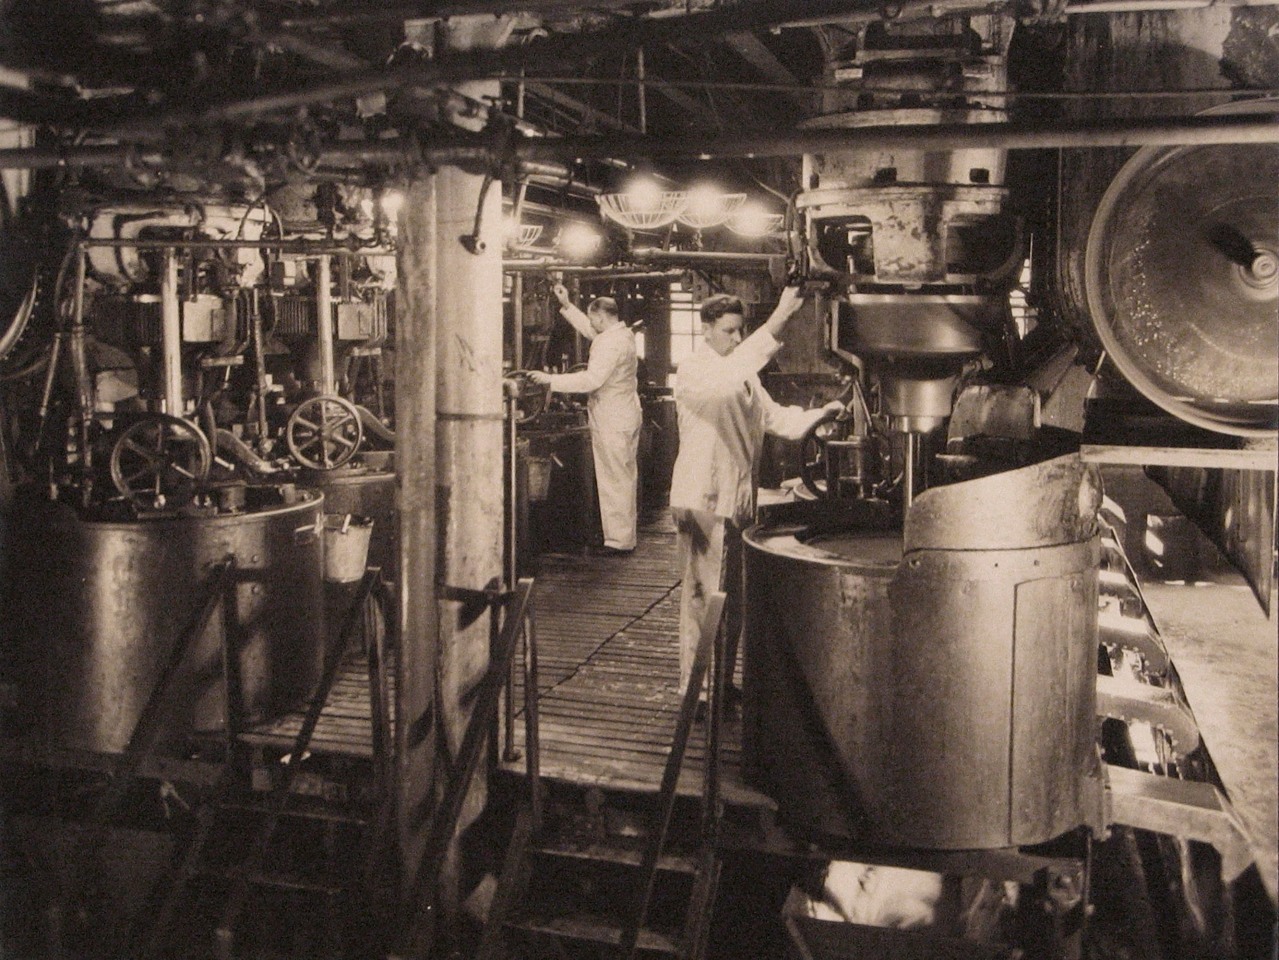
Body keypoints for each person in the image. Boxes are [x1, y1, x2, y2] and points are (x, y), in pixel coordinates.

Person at [669, 286, 843, 707]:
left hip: (736, 498)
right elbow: (727, 379)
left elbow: (776, 419)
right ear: (706, 329)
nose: (734, 338)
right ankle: (697, 691)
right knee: (701, 596)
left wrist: (823, 413)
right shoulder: (695, 370)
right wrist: (780, 316)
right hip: (702, 498)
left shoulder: (743, 374)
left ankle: (721, 682)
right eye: (728, 331)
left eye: (739, 331)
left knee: (730, 596)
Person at [530, 284, 642, 555]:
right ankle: (619, 535)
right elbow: (590, 330)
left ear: (602, 318)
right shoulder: (620, 334)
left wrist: (551, 380)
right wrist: (567, 305)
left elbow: (591, 379)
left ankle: (619, 542)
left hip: (613, 416)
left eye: (594, 319)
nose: (592, 325)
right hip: (624, 411)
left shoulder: (611, 343)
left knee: (615, 478)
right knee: (621, 475)